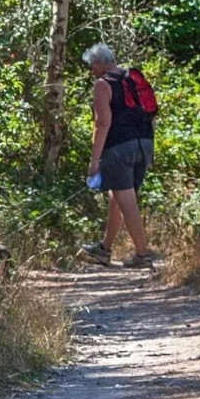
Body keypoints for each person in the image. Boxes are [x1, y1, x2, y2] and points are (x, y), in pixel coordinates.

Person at [80, 43, 155, 267]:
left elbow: (102, 122)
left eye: (92, 66)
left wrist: (94, 160)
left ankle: (142, 255)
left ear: (102, 64)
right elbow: (150, 114)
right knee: (119, 197)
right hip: (144, 144)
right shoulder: (131, 77)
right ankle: (104, 248)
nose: (92, 70)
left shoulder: (103, 84)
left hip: (119, 147)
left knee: (127, 202)